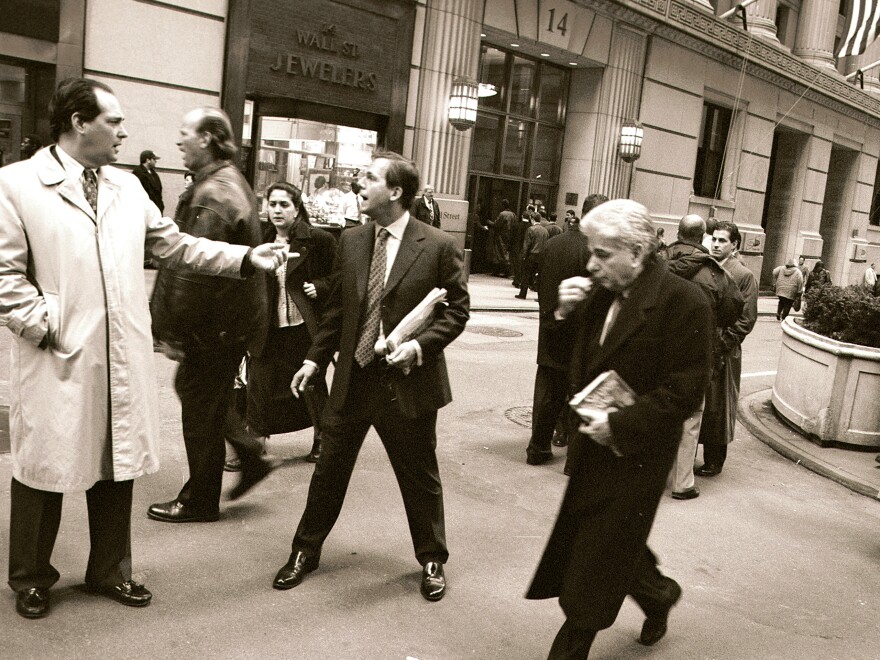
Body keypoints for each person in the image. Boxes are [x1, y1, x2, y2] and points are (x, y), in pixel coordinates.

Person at [0, 78, 286, 619]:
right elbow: (5, 275)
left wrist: (246, 259)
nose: (124, 130)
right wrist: (47, 326)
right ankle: (32, 577)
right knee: (43, 464)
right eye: (115, 120)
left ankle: (110, 571)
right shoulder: (16, 184)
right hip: (58, 352)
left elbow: (174, 245)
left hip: (118, 353)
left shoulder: (125, 187)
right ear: (80, 122)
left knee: (116, 461)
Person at [271, 151, 469, 602]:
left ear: (395, 192)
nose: (359, 182)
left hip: (407, 382)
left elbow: (457, 311)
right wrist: (314, 359)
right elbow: (341, 309)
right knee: (329, 470)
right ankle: (305, 551)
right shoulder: (354, 240)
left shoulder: (437, 245)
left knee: (418, 475)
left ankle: (432, 558)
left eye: (369, 177)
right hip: (354, 378)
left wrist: (418, 347)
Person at [526, 199, 713, 658]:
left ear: (638, 250)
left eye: (602, 254)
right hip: (592, 443)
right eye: (592, 252)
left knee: (597, 553)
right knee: (611, 537)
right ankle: (658, 593)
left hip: (639, 452)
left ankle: (572, 644)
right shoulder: (600, 292)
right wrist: (564, 315)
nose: (591, 264)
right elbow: (581, 363)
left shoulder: (684, 302)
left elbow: (685, 390)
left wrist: (621, 424)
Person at [147, 107, 280, 523]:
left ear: (206, 138)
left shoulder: (214, 194)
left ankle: (200, 499)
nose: (178, 141)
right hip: (228, 323)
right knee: (206, 395)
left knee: (198, 402)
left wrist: (172, 331)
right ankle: (250, 454)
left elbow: (192, 274)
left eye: (184, 133)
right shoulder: (224, 183)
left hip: (214, 325)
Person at [243, 181, 336, 464]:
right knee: (258, 382)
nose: (277, 210)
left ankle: (322, 439)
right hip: (268, 325)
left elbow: (340, 278)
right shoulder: (260, 240)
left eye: (284, 204)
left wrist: (319, 286)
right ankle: (255, 446)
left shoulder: (318, 240)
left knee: (311, 383)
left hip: (302, 325)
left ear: (297, 209)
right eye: (272, 204)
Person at [526, 193, 606, 467]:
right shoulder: (596, 250)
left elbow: (540, 280)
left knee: (547, 391)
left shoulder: (553, 243)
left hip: (550, 327)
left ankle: (538, 448)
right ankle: (574, 459)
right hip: (580, 334)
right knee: (579, 393)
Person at [697, 221, 758, 477]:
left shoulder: (743, 275)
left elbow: (747, 317)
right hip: (701, 344)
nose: (716, 244)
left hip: (724, 349)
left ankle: (714, 459)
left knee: (719, 405)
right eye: (714, 239)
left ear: (735, 245)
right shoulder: (706, 266)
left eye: (722, 241)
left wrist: (724, 343)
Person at [516, 211, 550, 299]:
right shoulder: (545, 230)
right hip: (541, 256)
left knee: (526, 275)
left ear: (532, 219)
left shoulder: (531, 229)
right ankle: (539, 297)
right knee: (539, 276)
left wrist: (523, 256)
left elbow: (527, 244)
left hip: (532, 255)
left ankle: (523, 294)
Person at [488, 198, 515, 276]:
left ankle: (497, 271)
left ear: (503, 205)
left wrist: (489, 222)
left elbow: (497, 224)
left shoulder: (502, 214)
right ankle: (507, 272)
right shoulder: (513, 214)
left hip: (501, 235)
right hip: (509, 235)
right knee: (506, 253)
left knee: (498, 253)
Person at [510, 205, 533, 287]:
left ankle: (517, 280)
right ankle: (521, 280)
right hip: (527, 248)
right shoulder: (531, 227)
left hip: (516, 247)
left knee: (516, 264)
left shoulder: (516, 225)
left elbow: (512, 237)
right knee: (524, 265)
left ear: (522, 216)